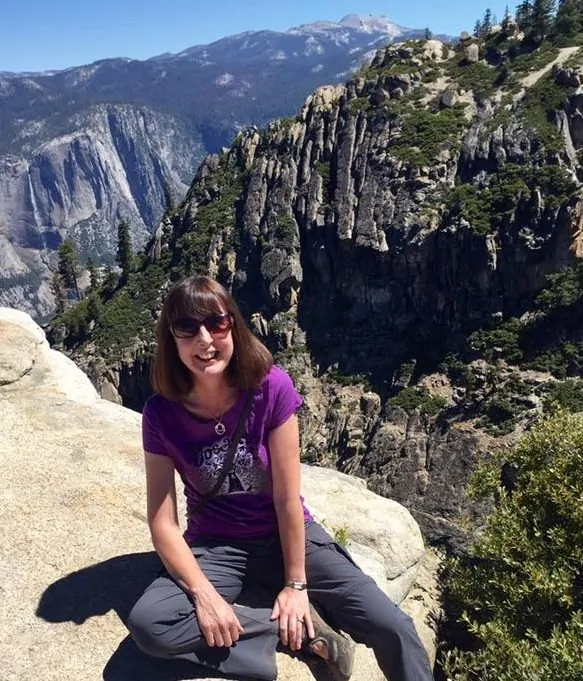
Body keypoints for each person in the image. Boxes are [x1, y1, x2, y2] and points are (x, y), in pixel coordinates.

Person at [127, 275, 434, 681]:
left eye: (216, 323)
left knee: (392, 626)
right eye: (187, 328)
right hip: (217, 545)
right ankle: (301, 636)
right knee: (152, 625)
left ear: (233, 325)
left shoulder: (270, 388)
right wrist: (205, 596)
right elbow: (163, 522)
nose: (204, 340)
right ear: (172, 338)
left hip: (286, 536)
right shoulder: (160, 414)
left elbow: (287, 500)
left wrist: (296, 586)